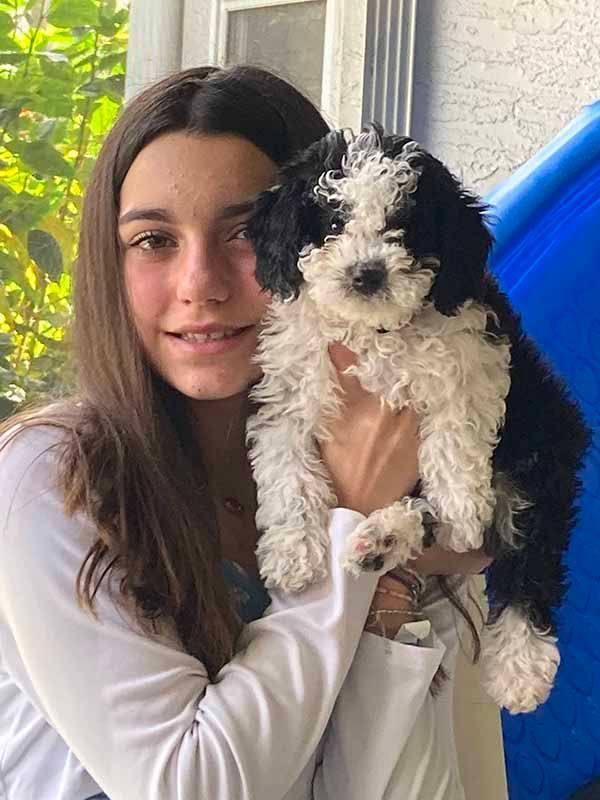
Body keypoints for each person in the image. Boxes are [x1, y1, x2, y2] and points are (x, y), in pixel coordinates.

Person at [0, 65, 493, 800]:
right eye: (153, 240)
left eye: (244, 233)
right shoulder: (51, 478)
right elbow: (192, 785)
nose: (199, 283)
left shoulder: (406, 465)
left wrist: (393, 594)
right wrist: (350, 529)